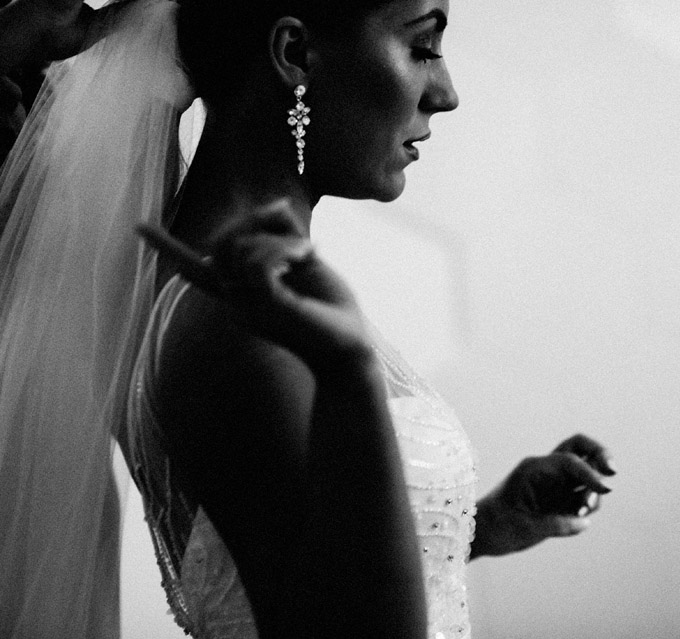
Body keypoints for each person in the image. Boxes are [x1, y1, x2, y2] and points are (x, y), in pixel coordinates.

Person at [0, 0, 616, 637]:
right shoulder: (243, 324)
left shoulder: (209, 287)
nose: (446, 94)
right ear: (294, 54)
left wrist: (480, 527)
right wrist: (349, 371)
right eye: (423, 48)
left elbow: (296, 576)